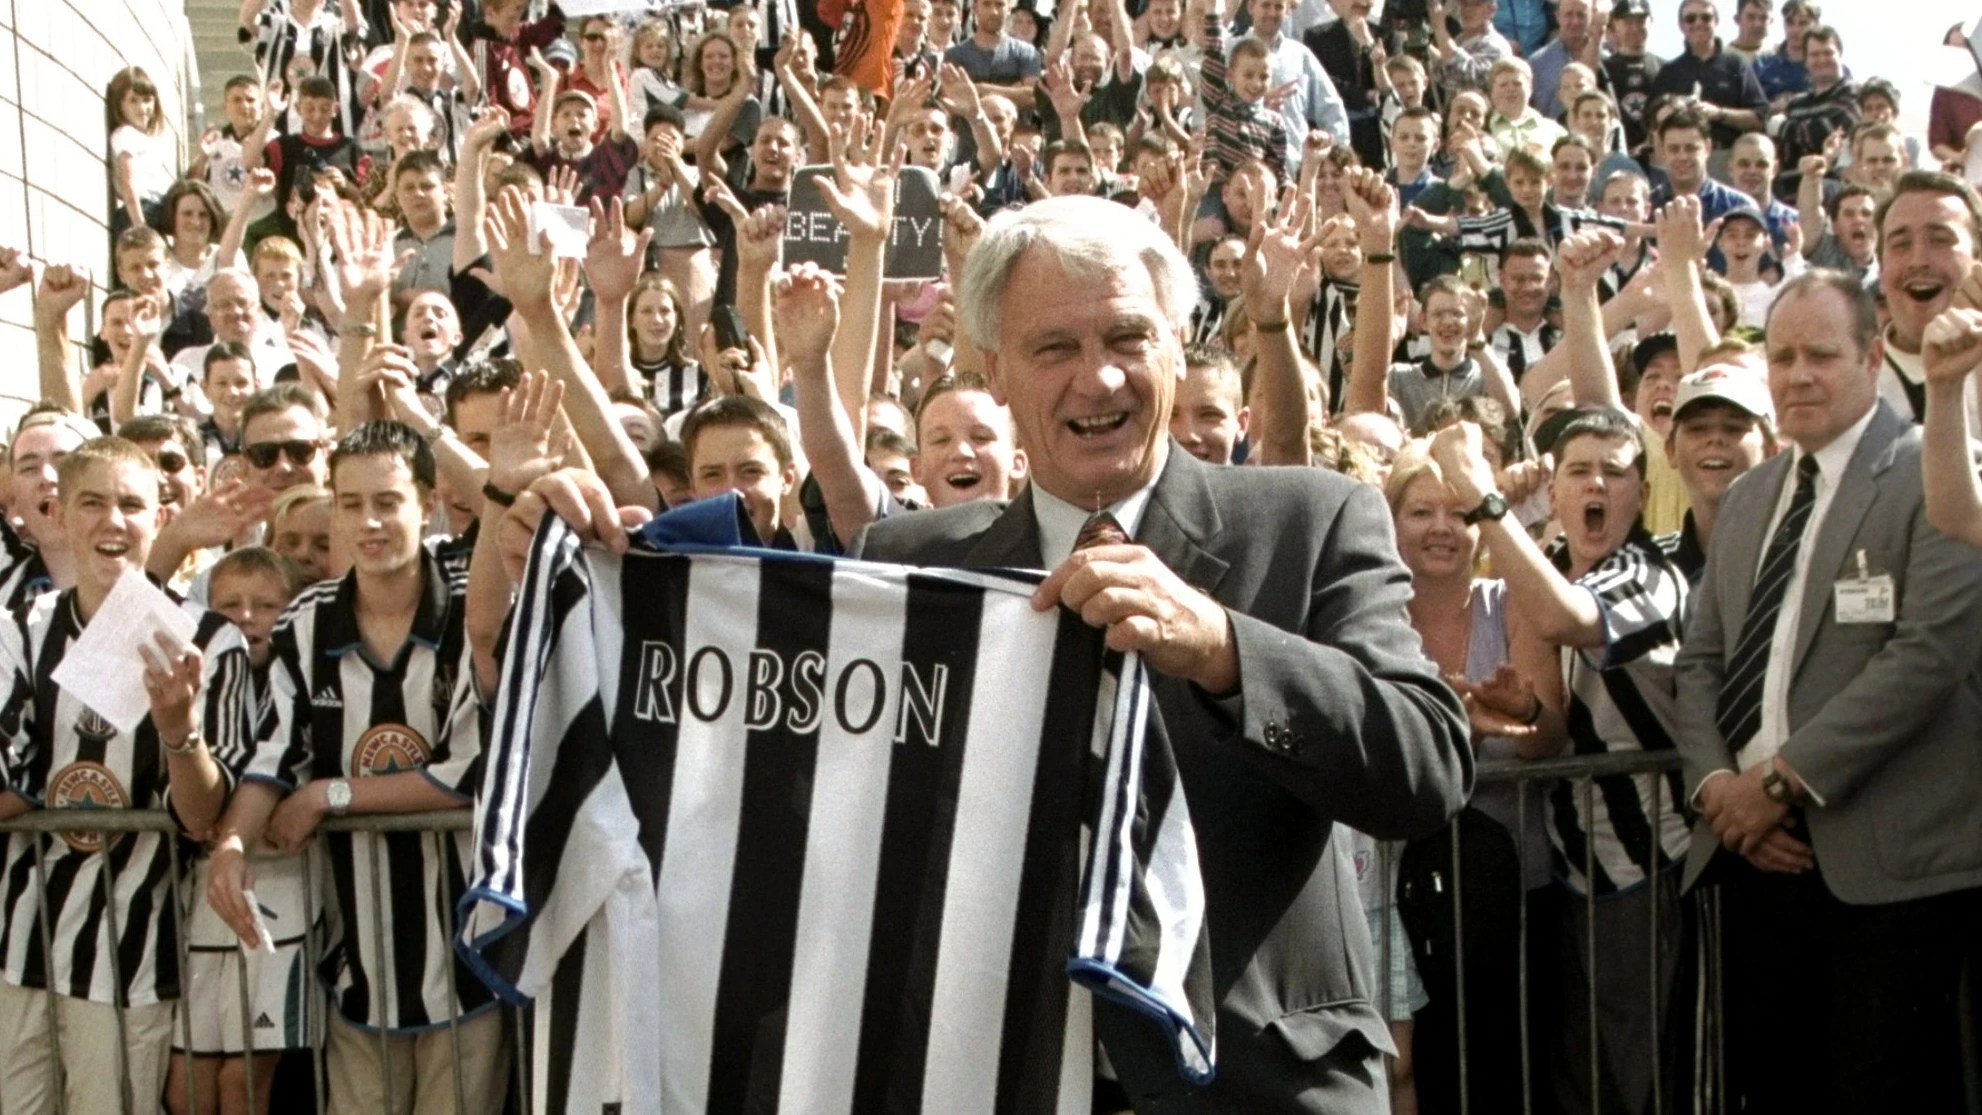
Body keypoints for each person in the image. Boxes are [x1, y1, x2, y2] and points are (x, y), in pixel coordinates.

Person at [498, 193, 1472, 1111]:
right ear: (994, 370)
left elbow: (1426, 764)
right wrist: (599, 577)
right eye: (1054, 347)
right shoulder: (909, 562)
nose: (1098, 378)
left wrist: (1223, 648)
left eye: (1127, 337)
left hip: (1256, 1089)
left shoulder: (1309, 519)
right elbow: (759, 769)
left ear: (1177, 346)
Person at [1675, 270, 1982, 1115]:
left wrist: (1779, 782)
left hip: (1888, 875)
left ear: (1873, 358)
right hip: (1753, 859)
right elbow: (1700, 663)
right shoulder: (1749, 496)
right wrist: (1719, 791)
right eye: (1781, 357)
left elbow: (1929, 655)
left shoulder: (1935, 470)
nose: (1798, 375)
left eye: (1821, 355)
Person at [206, 422, 505, 1115]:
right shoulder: (306, 622)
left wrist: (329, 794)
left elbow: (471, 773)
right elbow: (274, 754)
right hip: (357, 963)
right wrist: (232, 844)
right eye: (350, 504)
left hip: (467, 958)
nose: (368, 522)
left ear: (427, 504)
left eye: (387, 502)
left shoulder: (471, 611)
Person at [0, 436, 255, 1115]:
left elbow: (201, 816)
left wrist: (178, 730)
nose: (113, 521)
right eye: (92, 502)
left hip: (131, 957)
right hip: (17, 945)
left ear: (160, 518)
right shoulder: (19, 628)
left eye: (132, 505)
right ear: (58, 515)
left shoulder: (210, 638)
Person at [1650, 0, 1767, 161]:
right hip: (1680, 158)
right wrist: (1677, 109)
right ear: (1681, 26)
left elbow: (1760, 117)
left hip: (1725, 156)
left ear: (1716, 21)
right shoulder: (1670, 71)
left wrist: (1719, 114)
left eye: (1706, 17)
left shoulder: (1736, 64)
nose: (1698, 23)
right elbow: (1651, 121)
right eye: (1691, 19)